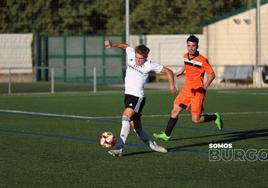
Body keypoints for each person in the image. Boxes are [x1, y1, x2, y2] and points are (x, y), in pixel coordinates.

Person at [105, 40, 177, 157]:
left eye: (141, 59)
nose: (138, 60)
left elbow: (168, 71)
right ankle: (153, 145)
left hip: (137, 97)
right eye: (137, 57)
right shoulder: (131, 53)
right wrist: (112, 44)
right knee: (137, 129)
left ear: (146, 57)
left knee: (125, 117)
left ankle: (119, 147)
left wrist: (172, 85)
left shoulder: (149, 64)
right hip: (128, 96)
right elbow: (125, 46)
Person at [153, 35, 223, 141]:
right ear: (187, 46)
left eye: (193, 46)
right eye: (189, 45)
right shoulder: (185, 56)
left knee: (196, 120)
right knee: (174, 111)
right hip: (186, 91)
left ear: (197, 46)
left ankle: (215, 117)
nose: (191, 48)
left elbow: (212, 75)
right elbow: (186, 64)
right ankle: (166, 135)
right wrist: (182, 71)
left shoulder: (203, 60)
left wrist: (205, 86)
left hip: (197, 93)